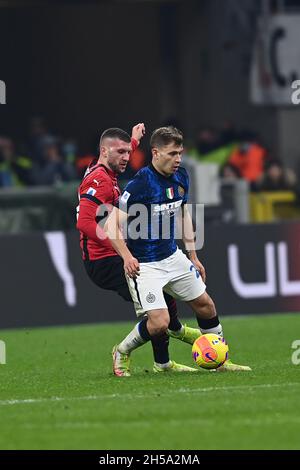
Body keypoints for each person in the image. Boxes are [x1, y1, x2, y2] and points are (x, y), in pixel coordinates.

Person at [105, 126, 251, 374]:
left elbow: (182, 214)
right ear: (155, 152)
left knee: (206, 305)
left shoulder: (182, 176)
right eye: (172, 153)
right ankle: (122, 350)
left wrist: (193, 255)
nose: (178, 159)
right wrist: (127, 257)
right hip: (146, 265)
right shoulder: (140, 184)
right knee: (160, 323)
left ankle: (220, 362)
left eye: (180, 153)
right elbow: (110, 225)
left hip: (173, 256)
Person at [76, 124, 200, 377]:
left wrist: (133, 141)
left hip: (116, 254)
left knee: (161, 296)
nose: (126, 157)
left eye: (127, 152)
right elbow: (84, 222)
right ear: (104, 151)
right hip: (106, 261)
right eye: (120, 152)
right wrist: (122, 251)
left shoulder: (104, 167)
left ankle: (166, 354)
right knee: (156, 311)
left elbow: (118, 150)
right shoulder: (99, 181)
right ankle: (133, 350)